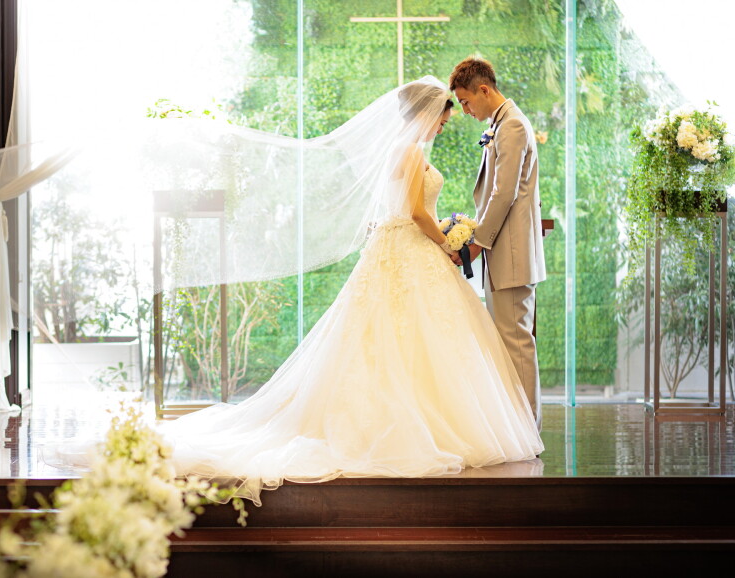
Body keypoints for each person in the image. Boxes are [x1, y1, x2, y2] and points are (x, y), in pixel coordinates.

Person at [160, 76, 544, 505]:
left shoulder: (400, 150)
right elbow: (417, 212)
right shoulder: (412, 151)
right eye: (442, 119)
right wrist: (447, 242)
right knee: (413, 337)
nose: (442, 127)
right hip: (411, 246)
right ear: (427, 114)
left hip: (397, 246)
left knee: (395, 339)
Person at [449, 57, 547, 430]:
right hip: (504, 250)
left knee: (516, 342)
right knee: (508, 341)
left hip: (511, 253)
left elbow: (503, 194)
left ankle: (527, 428)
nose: (465, 110)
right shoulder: (501, 124)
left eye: (466, 102)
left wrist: (474, 244)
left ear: (484, 90)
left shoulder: (513, 127)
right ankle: (519, 425)